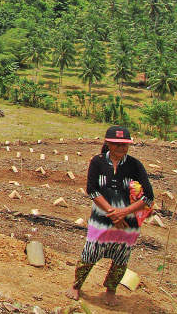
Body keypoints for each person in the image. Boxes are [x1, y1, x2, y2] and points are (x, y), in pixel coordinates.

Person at [66, 126, 154, 307]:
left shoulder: (135, 165)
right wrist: (112, 213)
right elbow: (92, 190)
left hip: (128, 223)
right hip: (101, 220)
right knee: (90, 253)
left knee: (121, 258)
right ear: (108, 143)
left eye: (125, 145)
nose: (121, 148)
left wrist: (124, 212)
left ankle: (111, 290)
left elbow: (148, 196)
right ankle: (77, 285)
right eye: (117, 144)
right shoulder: (97, 162)